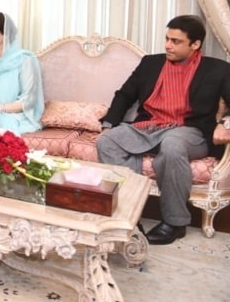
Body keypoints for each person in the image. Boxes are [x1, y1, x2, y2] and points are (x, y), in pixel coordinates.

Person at [98, 15, 230, 245]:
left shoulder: (217, 69)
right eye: (167, 39)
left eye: (176, 41)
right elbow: (125, 94)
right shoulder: (150, 63)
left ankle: (175, 223)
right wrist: (108, 125)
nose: (168, 45)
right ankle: (130, 212)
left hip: (190, 130)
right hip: (149, 126)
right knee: (106, 142)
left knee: (173, 144)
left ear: (195, 44)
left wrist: (225, 123)